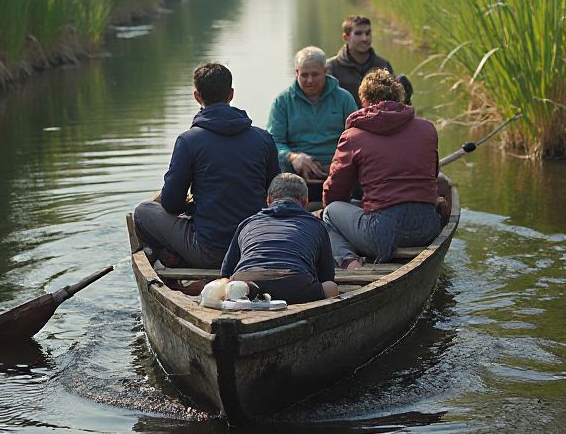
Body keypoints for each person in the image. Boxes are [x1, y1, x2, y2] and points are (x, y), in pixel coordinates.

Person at [133, 62, 279, 268]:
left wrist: (191, 206)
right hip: (254, 246)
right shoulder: (264, 138)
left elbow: (171, 204)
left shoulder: (188, 141)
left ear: (197, 96)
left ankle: (171, 262)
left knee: (143, 211)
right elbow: (274, 195)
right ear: (231, 94)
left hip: (210, 253)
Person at [322, 69, 442, 268]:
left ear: (364, 100)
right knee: (354, 204)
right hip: (427, 227)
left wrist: (333, 206)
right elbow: (433, 175)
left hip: (381, 234)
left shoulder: (353, 136)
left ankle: (350, 264)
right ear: (399, 96)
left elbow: (336, 191)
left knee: (330, 211)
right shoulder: (428, 128)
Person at [221, 172, 340, 303]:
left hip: (246, 282)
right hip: (293, 284)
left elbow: (226, 272)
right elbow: (327, 277)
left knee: (226, 283)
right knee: (331, 287)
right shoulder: (317, 225)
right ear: (306, 203)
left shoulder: (247, 223)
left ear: (268, 200)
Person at [267, 46, 357, 183]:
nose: (310, 80)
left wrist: (339, 162)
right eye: (304, 75)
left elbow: (356, 138)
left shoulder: (344, 99)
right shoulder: (282, 102)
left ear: (325, 71)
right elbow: (274, 142)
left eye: (315, 74)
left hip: (337, 166)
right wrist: (292, 157)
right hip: (295, 169)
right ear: (296, 73)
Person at [326, 15, 394, 103]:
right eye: (358, 33)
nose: (364, 38)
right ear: (346, 37)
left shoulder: (383, 65)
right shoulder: (331, 67)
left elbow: (394, 101)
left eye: (368, 33)